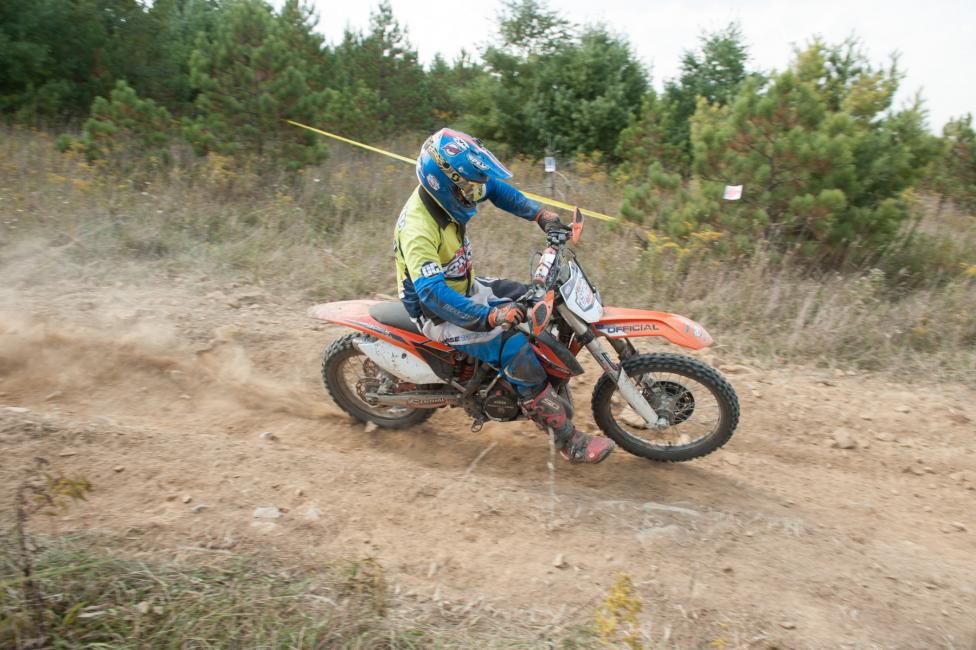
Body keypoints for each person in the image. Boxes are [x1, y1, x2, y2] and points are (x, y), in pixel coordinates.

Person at [393, 128, 614, 464]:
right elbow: (432, 294)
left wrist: (539, 215)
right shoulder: (418, 229)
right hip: (437, 311)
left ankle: (543, 380)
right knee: (515, 347)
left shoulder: (454, 191)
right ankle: (568, 440)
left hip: (464, 287)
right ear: (444, 183)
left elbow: (493, 188)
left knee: (537, 300)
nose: (475, 193)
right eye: (468, 187)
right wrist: (489, 317)